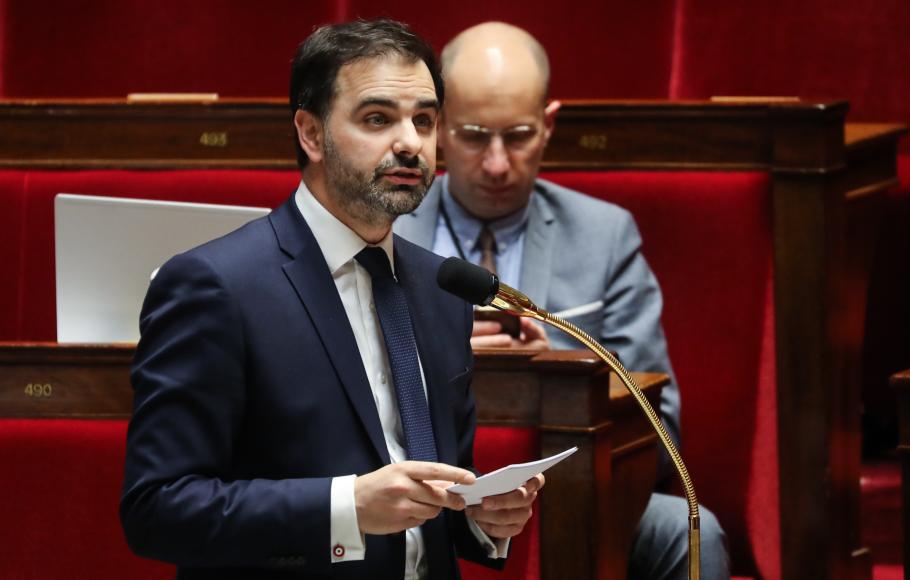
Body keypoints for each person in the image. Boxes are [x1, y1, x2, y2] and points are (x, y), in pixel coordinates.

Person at [120, 19, 541, 580]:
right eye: (377, 118)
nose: (410, 143)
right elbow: (157, 510)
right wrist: (345, 509)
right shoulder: (215, 286)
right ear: (310, 134)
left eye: (424, 120)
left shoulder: (443, 288)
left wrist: (482, 515)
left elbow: (438, 486)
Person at [394, 22, 730, 580]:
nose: (497, 163)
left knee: (692, 532)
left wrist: (558, 367)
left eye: (519, 135)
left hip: (569, 492)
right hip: (422, 491)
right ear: (439, 127)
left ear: (549, 126)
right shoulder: (387, 229)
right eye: (475, 135)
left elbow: (660, 425)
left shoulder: (604, 236)